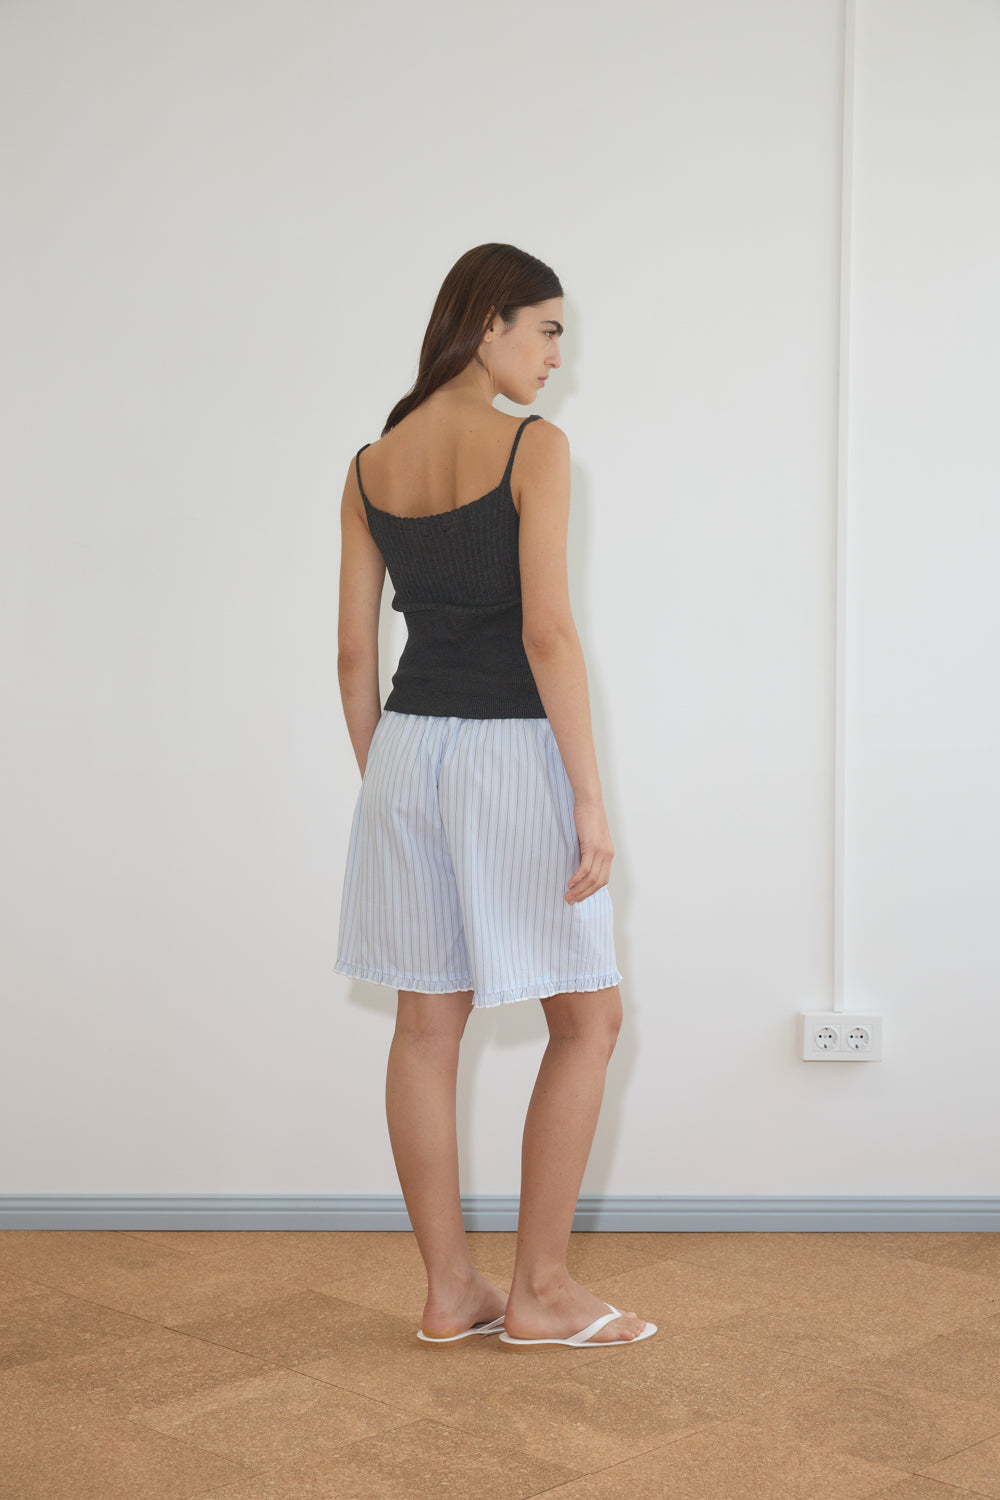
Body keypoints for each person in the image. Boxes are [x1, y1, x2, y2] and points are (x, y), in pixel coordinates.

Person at [334, 243, 655, 1350]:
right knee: (590, 1015)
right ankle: (541, 1293)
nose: (557, 357)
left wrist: (390, 781)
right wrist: (589, 798)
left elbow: (349, 660)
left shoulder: (373, 463)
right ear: (489, 326)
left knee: (426, 1024)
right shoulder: (533, 447)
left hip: (406, 751)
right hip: (512, 751)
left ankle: (447, 1293)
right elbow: (547, 632)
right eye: (548, 329)